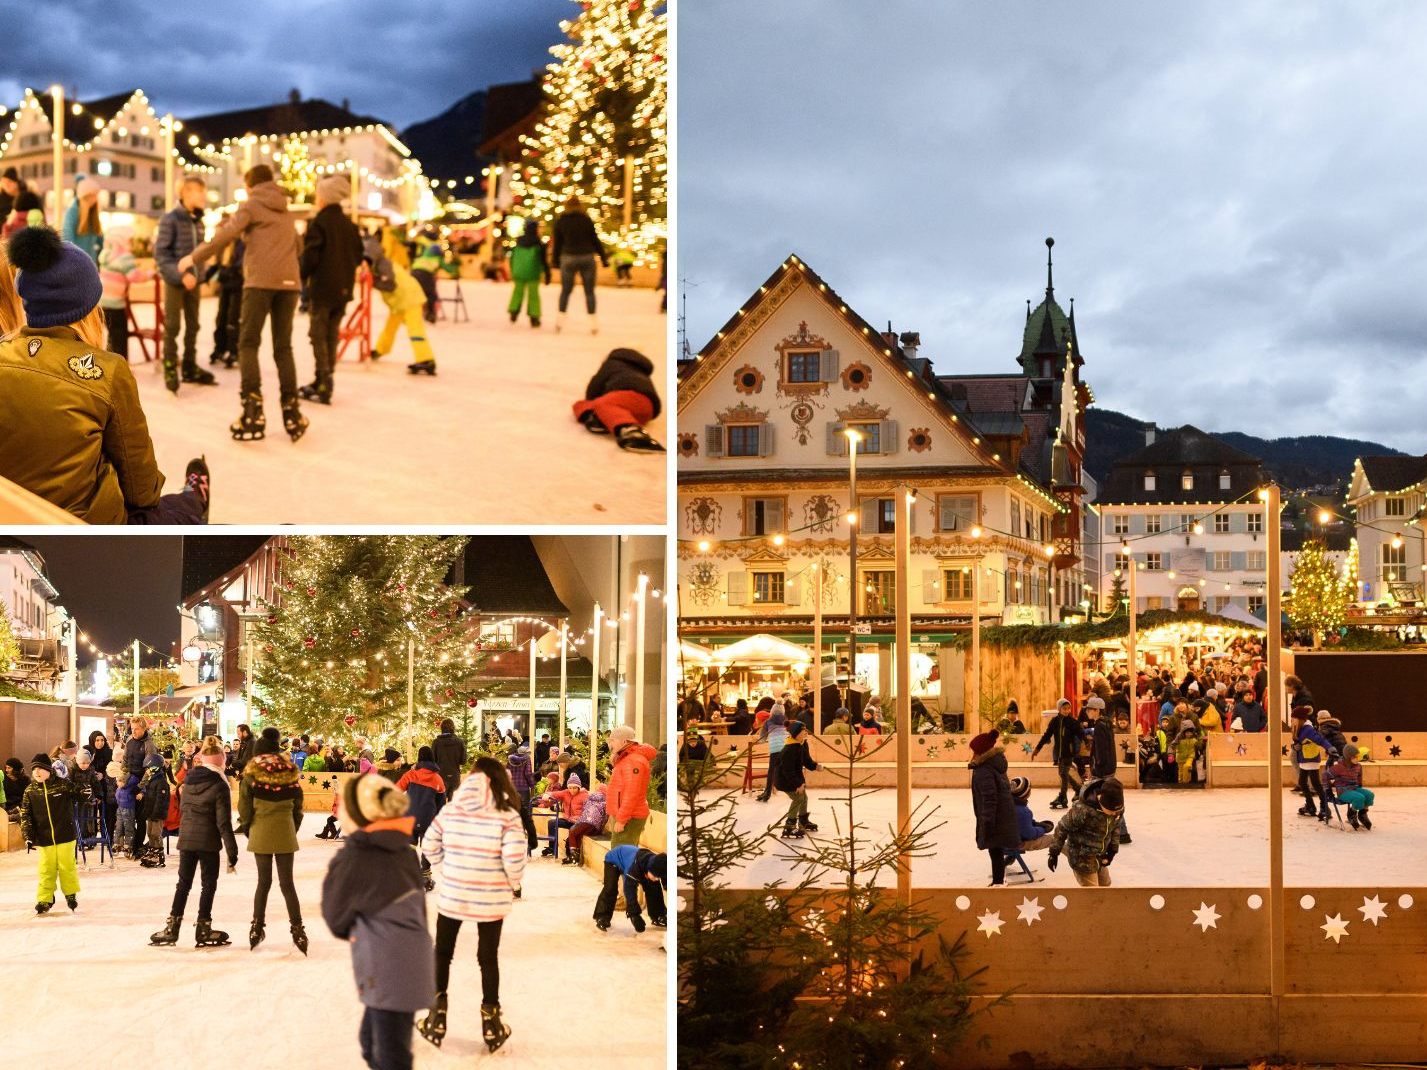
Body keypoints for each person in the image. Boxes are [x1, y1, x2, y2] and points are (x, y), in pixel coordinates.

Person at [0, 226, 211, 523]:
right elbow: (143, 491)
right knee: (167, 512)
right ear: (88, 310)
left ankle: (191, 497)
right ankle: (195, 498)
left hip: (18, 516)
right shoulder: (107, 371)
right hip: (83, 525)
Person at [181, 164, 308, 442]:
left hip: (260, 282)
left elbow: (225, 235)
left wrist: (193, 257)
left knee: (248, 343)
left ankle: (253, 411)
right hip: (289, 285)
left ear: (250, 185)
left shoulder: (251, 205)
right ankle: (292, 412)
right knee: (283, 347)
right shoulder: (286, 209)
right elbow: (299, 246)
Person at [323, 773, 435, 1070]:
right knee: (373, 1043)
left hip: (388, 969)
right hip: (411, 962)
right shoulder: (404, 850)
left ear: (361, 813)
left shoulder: (356, 856)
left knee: (389, 1056)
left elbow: (336, 918)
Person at [419, 757, 525, 1054]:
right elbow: (515, 858)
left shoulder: (451, 810)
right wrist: (510, 882)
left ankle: (435, 1016)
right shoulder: (507, 814)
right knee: (487, 958)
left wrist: (448, 869)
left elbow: (429, 844)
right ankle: (491, 1023)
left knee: (442, 953)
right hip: (491, 897)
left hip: (454, 895)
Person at [151, 741, 240, 948]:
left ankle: (172, 928)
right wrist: (232, 851)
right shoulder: (220, 785)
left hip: (187, 839)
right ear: (221, 763)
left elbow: (184, 810)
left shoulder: (188, 782)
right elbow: (224, 823)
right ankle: (203, 927)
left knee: (183, 884)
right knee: (208, 885)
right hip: (208, 841)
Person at [238, 726, 307, 953]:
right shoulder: (289, 769)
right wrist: (292, 828)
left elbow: (245, 806)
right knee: (287, 883)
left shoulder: (252, 771)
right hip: (285, 828)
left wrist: (248, 827)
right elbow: (298, 807)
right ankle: (298, 929)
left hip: (261, 828)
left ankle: (257, 927)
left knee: (263, 882)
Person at [297, 175, 363, 405]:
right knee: (332, 334)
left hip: (323, 288)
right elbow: (358, 255)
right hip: (343, 289)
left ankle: (323, 381)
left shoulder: (320, 223)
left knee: (318, 334)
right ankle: (324, 378)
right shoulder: (349, 225)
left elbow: (311, 257)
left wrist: (301, 276)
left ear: (325, 198)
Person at [153, 176, 219, 392]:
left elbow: (200, 253)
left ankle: (189, 365)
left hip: (194, 283)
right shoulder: (170, 219)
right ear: (185, 193)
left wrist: (201, 274)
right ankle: (170, 365)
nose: (204, 197)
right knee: (172, 325)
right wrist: (181, 276)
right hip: (176, 282)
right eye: (200, 192)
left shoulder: (198, 221)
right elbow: (161, 255)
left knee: (194, 325)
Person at [362, 235, 437, 376]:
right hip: (400, 301)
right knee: (390, 327)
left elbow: (390, 284)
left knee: (415, 329)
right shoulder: (379, 264)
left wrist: (374, 282)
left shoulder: (383, 265)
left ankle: (426, 359)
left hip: (410, 299)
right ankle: (381, 349)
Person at [572, 347, 665, 453]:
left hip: (627, 398)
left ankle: (633, 433)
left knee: (593, 404)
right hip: (647, 409)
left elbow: (593, 390)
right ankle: (605, 418)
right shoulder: (640, 369)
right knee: (597, 404)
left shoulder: (612, 363)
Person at [20, 754, 80, 913]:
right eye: (34, 769)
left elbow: (80, 795)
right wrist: (28, 836)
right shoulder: (30, 791)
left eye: (40, 768)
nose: (37, 772)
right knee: (46, 869)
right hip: (44, 838)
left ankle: (70, 894)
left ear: (48, 770)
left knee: (67, 866)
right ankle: (45, 898)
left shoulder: (63, 785)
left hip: (65, 835)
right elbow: (26, 815)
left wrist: (87, 793)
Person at [1048, 777, 1124, 887]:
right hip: (1082, 858)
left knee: (1106, 885)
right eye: (1111, 811)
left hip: (1099, 856)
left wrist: (1112, 851)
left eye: (1117, 811)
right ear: (1100, 800)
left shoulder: (1117, 810)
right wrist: (1054, 852)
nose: (1114, 814)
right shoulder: (1082, 810)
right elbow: (1062, 827)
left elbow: (1115, 828)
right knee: (1093, 894)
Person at [969, 731, 1020, 885]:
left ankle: (998, 883)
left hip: (995, 818)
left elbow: (989, 799)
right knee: (995, 850)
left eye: (974, 751)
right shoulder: (993, 765)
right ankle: (998, 881)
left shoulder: (984, 770)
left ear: (981, 752)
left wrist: (987, 822)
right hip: (1002, 817)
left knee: (995, 850)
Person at [552, 195, 608, 333]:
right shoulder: (586, 220)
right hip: (586, 256)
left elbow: (557, 243)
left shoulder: (561, 221)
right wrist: (603, 258)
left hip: (568, 256)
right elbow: (595, 240)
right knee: (589, 291)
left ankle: (559, 322)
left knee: (565, 290)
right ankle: (593, 324)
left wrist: (555, 261)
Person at [394, 746, 447, 888]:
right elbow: (442, 804)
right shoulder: (438, 779)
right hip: (428, 820)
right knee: (428, 847)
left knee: (410, 846)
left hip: (410, 817)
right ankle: (425, 876)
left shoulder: (411, 775)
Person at [97, 226, 150, 359]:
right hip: (116, 304)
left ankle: (110, 360)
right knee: (120, 335)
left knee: (110, 335)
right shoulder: (125, 258)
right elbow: (134, 276)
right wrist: (148, 274)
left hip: (102, 303)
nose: (131, 244)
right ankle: (120, 364)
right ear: (122, 241)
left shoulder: (105, 255)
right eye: (129, 241)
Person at [594, 845, 667, 933]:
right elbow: (629, 891)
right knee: (610, 888)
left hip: (631, 859)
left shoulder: (659, 862)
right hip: (613, 860)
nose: (657, 878)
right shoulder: (634, 868)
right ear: (649, 869)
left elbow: (663, 874)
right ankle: (602, 916)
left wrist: (666, 885)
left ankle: (658, 916)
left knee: (654, 886)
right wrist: (634, 915)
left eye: (659, 877)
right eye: (655, 876)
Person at [606, 725, 656, 847]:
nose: (610, 744)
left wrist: (621, 819)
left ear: (624, 741)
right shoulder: (625, 758)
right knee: (621, 855)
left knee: (620, 856)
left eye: (613, 740)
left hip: (630, 817)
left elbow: (631, 792)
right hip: (625, 815)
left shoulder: (633, 760)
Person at [1031, 698, 1084, 809]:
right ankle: (1078, 789)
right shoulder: (1054, 721)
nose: (1067, 711)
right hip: (1058, 754)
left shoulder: (1072, 722)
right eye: (1064, 709)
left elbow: (1080, 733)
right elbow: (1047, 735)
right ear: (1059, 709)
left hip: (1068, 753)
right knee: (1063, 774)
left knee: (1063, 773)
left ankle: (1063, 797)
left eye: (1068, 708)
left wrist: (1088, 742)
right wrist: (1037, 749)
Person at [209, 215, 244, 368]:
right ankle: (219, 348)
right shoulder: (222, 247)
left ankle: (233, 350)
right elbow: (216, 265)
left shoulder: (240, 243)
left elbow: (240, 265)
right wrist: (203, 277)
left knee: (233, 319)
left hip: (237, 286)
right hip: (225, 286)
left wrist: (228, 272)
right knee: (221, 318)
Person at [774, 721, 819, 839]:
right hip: (785, 779)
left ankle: (803, 821)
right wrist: (798, 784)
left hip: (795, 777)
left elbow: (806, 760)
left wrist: (815, 766)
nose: (805, 732)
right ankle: (789, 827)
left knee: (804, 797)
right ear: (796, 733)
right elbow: (788, 771)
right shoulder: (789, 749)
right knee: (798, 798)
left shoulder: (803, 744)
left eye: (805, 729)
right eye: (803, 730)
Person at [1290, 707, 1334, 822]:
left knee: (1315, 784)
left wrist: (1330, 747)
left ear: (1300, 719)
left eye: (1294, 718)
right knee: (1303, 783)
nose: (1292, 721)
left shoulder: (1308, 729)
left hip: (1310, 759)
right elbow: (1296, 743)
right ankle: (1310, 806)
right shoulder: (1300, 728)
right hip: (1305, 759)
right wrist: (1295, 747)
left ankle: (1324, 807)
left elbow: (1320, 739)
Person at [506, 219, 551, 327]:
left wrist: (512, 269)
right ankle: (534, 317)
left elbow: (512, 258)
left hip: (519, 271)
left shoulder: (518, 241)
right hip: (533, 272)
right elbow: (544, 261)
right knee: (533, 294)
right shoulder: (539, 243)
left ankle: (514, 310)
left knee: (517, 291)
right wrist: (547, 274)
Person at [538, 772, 588, 858]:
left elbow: (588, 810)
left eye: (574, 788)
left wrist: (579, 818)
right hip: (568, 820)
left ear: (579, 787)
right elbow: (555, 794)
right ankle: (552, 847)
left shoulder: (584, 795)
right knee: (552, 823)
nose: (572, 790)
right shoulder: (566, 792)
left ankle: (572, 850)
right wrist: (547, 794)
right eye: (570, 788)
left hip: (578, 822)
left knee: (573, 832)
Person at [136, 752, 171, 868]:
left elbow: (161, 801)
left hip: (158, 814)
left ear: (154, 767)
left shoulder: (161, 782)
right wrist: (146, 811)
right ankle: (152, 852)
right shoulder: (151, 781)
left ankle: (159, 854)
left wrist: (156, 813)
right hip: (151, 813)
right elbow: (149, 798)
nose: (147, 771)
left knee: (156, 834)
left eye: (148, 768)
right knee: (150, 833)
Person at [1326, 744, 1374, 831]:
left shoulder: (1358, 766)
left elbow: (1359, 777)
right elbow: (1325, 776)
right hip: (1343, 791)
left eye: (1358, 756)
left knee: (1369, 795)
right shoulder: (1338, 767)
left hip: (1354, 788)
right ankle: (1352, 813)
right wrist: (1328, 790)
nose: (1357, 758)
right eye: (1355, 757)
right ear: (1348, 757)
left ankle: (1362, 814)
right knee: (1359, 798)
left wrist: (1359, 787)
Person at [60, 175, 103, 264]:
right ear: (85, 196)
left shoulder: (93, 214)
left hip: (91, 264)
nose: (95, 199)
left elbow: (99, 240)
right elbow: (67, 240)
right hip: (76, 264)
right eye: (92, 195)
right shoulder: (72, 213)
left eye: (96, 195)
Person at [505, 745, 540, 856]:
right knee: (524, 813)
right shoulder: (527, 760)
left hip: (511, 788)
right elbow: (528, 774)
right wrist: (532, 785)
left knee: (513, 812)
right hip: (523, 789)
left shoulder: (509, 760)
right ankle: (522, 835)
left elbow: (506, 773)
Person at [1009, 776, 1055, 852]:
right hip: (1016, 844)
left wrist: (1036, 824)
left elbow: (1019, 823)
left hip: (1000, 842)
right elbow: (1030, 834)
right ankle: (1077, 861)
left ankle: (1009, 858)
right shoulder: (1023, 811)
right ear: (1026, 793)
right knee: (1057, 839)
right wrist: (1043, 829)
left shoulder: (1005, 805)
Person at [432, 719, 467, 802]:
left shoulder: (436, 742)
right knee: (454, 806)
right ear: (453, 728)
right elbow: (463, 761)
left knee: (439, 804)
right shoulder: (460, 742)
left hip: (440, 775)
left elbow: (432, 760)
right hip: (455, 776)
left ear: (442, 728)